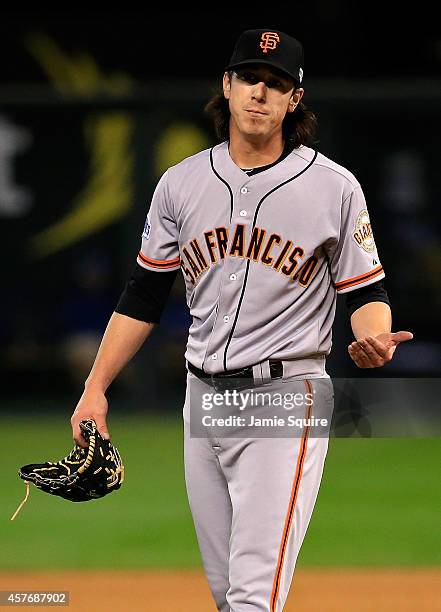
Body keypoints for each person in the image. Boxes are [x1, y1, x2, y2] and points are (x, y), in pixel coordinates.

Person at [71, 28, 413, 611]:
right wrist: (94, 388)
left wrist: (373, 337)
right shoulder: (181, 183)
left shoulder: (333, 187)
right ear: (226, 86)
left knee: (255, 595)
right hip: (202, 395)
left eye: (276, 83)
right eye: (251, 77)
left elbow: (366, 292)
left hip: (287, 393)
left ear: (294, 100)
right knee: (228, 594)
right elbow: (143, 295)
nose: (261, 92)